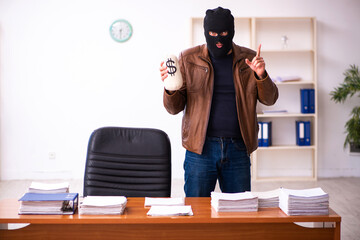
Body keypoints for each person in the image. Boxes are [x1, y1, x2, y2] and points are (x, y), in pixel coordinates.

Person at [160, 7, 278, 197]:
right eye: (212, 33)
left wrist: (261, 75)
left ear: (232, 31)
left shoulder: (248, 59)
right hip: (200, 149)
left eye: (223, 33)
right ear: (206, 32)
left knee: (238, 212)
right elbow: (174, 109)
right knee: (197, 212)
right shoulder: (188, 59)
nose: (218, 39)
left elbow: (270, 99)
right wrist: (170, 87)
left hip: (238, 148)